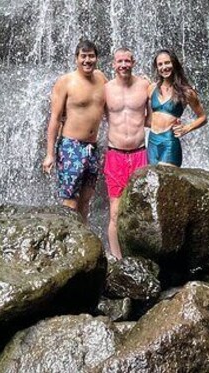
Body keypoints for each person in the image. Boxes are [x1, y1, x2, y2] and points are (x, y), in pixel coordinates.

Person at [42, 40, 107, 223]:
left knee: (86, 200)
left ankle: (83, 240)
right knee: (70, 200)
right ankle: (68, 243)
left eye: (91, 56)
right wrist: (49, 154)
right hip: (71, 146)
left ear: (97, 58)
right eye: (83, 56)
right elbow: (54, 118)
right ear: (76, 58)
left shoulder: (102, 78)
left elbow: (118, 98)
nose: (87, 60)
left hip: (92, 148)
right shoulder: (65, 82)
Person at [103, 47, 151, 259]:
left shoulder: (145, 86)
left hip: (141, 153)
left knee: (143, 208)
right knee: (115, 211)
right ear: (113, 64)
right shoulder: (105, 89)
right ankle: (118, 260)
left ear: (134, 62)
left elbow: (156, 113)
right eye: (119, 61)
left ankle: (141, 254)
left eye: (127, 61)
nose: (123, 65)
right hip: (115, 155)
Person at [147, 49, 207, 166]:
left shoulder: (186, 92)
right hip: (152, 141)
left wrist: (187, 128)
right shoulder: (151, 88)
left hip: (169, 141)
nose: (164, 67)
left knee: (167, 182)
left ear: (174, 63)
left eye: (167, 63)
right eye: (160, 64)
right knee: (153, 182)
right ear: (157, 68)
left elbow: (203, 117)